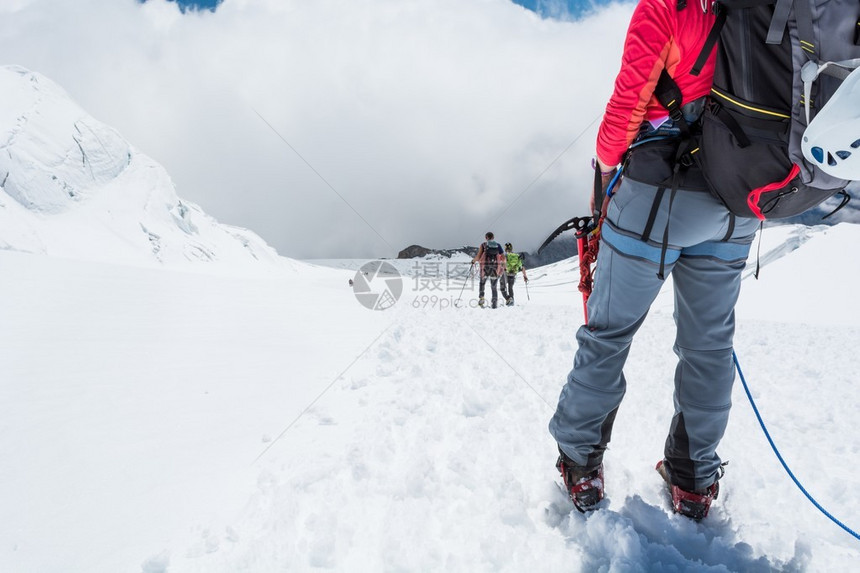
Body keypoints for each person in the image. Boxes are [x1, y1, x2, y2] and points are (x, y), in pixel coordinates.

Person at [548, 0, 760, 520]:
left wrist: (601, 166)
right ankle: (693, 481)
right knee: (709, 347)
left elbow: (625, 110)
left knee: (609, 333)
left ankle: (581, 465)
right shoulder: (777, 12)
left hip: (657, 196)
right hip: (740, 201)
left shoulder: (668, 7)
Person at [471, 232, 504, 308]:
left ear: (486, 238)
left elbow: (478, 257)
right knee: (494, 287)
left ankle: (482, 298)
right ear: (493, 237)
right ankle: (494, 304)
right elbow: (503, 258)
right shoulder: (498, 245)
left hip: (485, 268)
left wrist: (473, 261)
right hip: (495, 269)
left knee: (482, 283)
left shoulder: (483, 245)